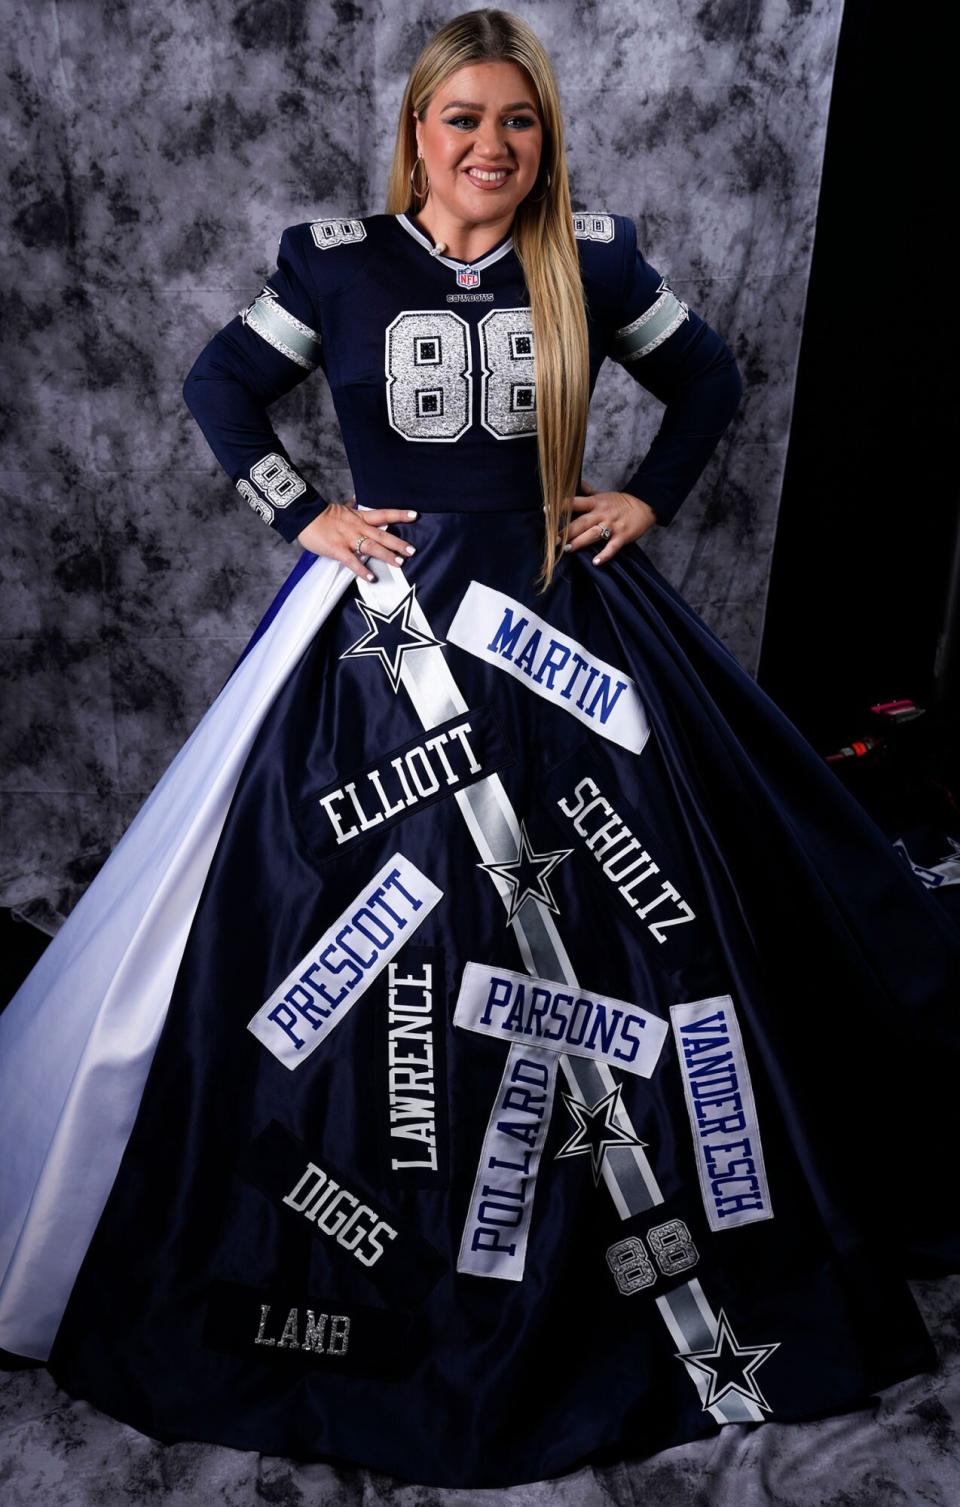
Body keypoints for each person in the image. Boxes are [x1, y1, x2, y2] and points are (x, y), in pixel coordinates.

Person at [1, 5, 959, 1491]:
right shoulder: (336, 260)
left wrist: (644, 497)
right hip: (386, 627)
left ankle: (626, 1252)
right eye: (465, 120)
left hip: (567, 626)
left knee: (633, 911)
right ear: (419, 133)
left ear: (544, 135)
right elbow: (217, 387)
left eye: (519, 121)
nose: (492, 146)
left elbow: (706, 379)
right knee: (359, 922)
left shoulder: (596, 253)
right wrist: (296, 510)